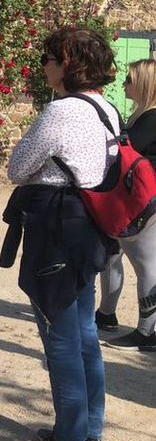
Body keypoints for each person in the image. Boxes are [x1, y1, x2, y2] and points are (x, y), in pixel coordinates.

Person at [4, 27, 118, 441]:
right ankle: (89, 433)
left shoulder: (61, 112)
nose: (44, 67)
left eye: (49, 59)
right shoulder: (106, 108)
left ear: (67, 64)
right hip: (89, 227)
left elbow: (17, 168)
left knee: (62, 339)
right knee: (84, 332)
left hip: (55, 227)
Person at [98, 58, 156, 351]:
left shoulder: (151, 119)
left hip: (147, 204)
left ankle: (146, 333)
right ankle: (106, 313)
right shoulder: (141, 117)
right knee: (112, 256)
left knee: (147, 266)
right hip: (137, 201)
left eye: (130, 80)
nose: (124, 85)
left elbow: (125, 155)